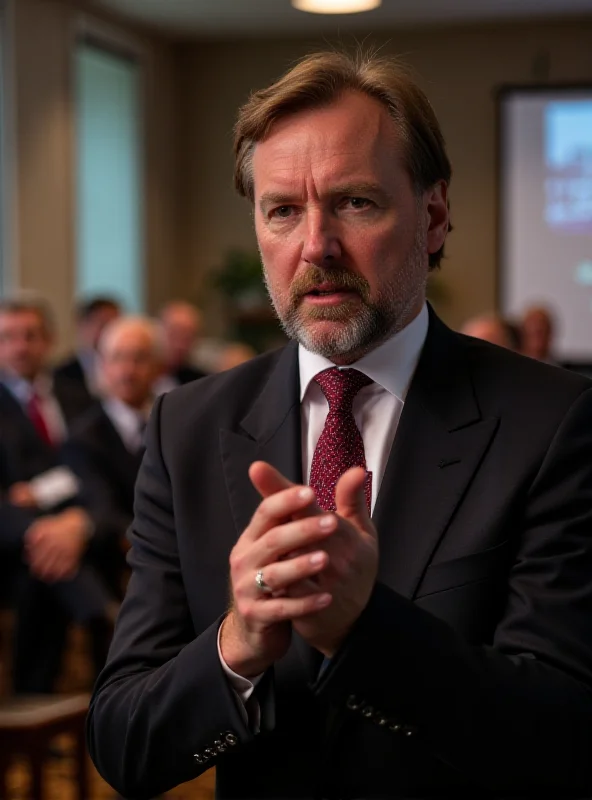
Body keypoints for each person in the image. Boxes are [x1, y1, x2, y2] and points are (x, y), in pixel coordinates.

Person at [87, 51, 592, 799]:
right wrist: (237, 644)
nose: (315, 245)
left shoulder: (552, 423)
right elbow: (125, 746)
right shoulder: (187, 428)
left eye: (356, 202)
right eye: (283, 209)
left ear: (434, 214)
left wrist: (365, 632)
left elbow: (566, 737)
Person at [0, 297, 115, 691]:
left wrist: (78, 523)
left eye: (30, 335)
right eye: (8, 337)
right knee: (43, 567)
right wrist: (42, 533)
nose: (20, 346)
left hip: (87, 527)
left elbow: (99, 473)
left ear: (48, 340)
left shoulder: (79, 398)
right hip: (19, 541)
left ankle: (115, 694)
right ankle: (39, 698)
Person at [63, 316, 161, 598]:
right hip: (118, 559)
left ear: (157, 366)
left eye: (139, 358)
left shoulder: (173, 425)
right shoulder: (83, 436)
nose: (127, 370)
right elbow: (101, 507)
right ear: (103, 366)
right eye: (118, 358)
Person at [53, 295, 121, 410]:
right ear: (83, 325)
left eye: (116, 325)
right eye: (104, 325)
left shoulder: (128, 368)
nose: (111, 332)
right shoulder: (61, 374)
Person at [153, 301, 207, 394]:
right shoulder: (140, 375)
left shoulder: (200, 382)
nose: (180, 345)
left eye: (187, 338)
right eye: (174, 334)